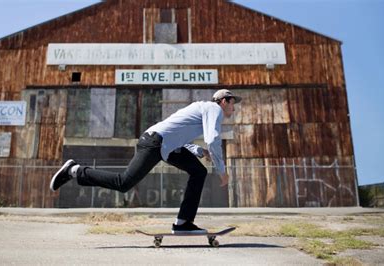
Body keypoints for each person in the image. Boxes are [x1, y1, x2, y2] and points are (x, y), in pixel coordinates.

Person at [50, 89, 241, 234]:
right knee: (123, 182)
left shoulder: (202, 109)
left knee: (198, 171)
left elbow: (177, 133)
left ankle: (183, 223)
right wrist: (221, 170)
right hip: (155, 143)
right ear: (224, 101)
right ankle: (74, 170)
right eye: (233, 104)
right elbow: (213, 139)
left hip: (166, 145)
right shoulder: (214, 109)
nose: (233, 108)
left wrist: (198, 150)